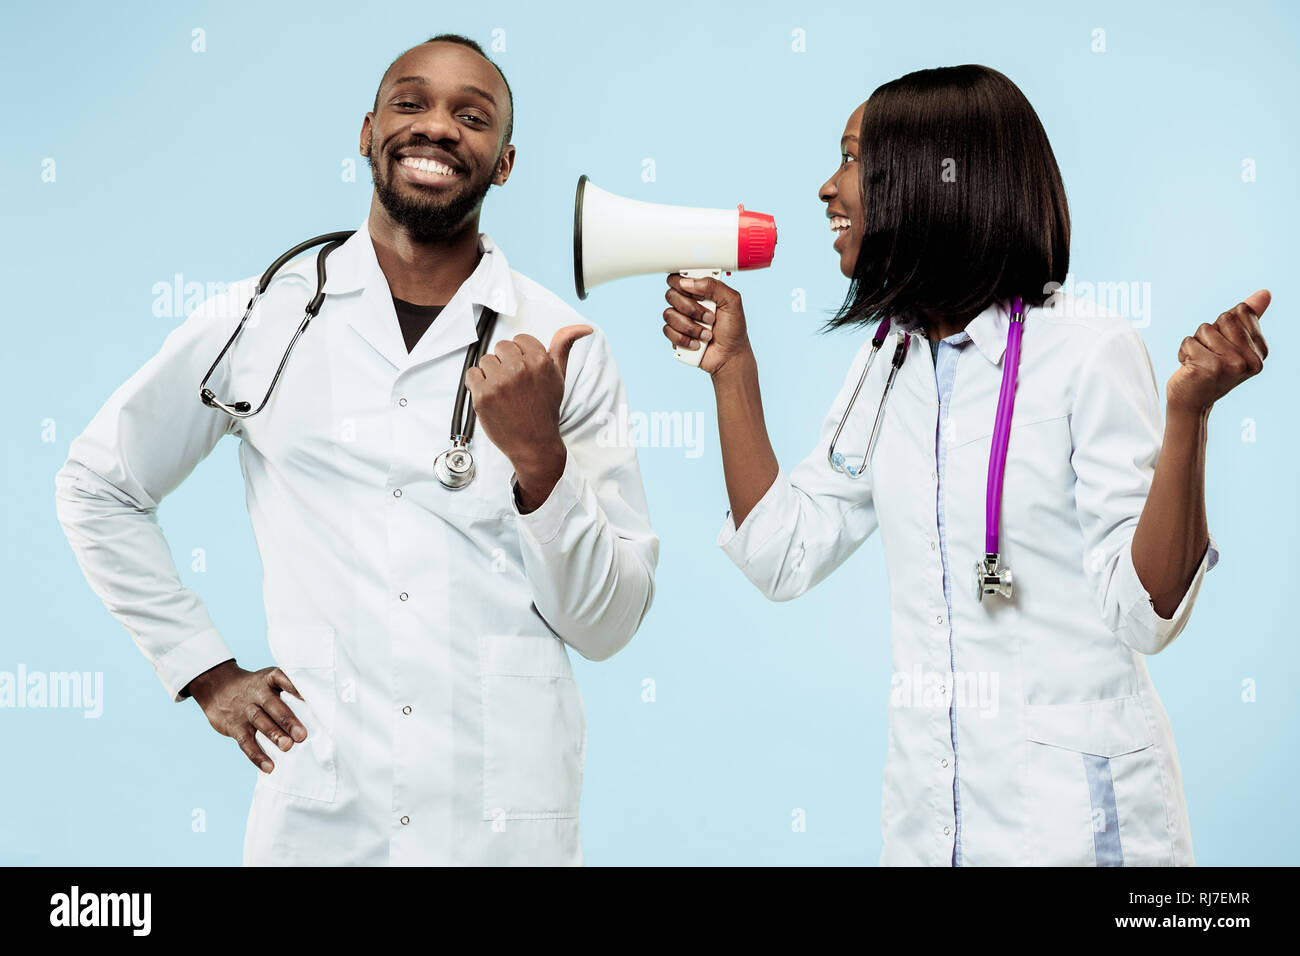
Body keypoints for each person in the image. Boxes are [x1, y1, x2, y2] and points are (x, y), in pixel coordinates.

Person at [54, 34, 658, 866]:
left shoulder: (561, 344)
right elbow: (98, 484)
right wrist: (204, 671)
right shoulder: (264, 317)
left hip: (501, 825)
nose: (440, 127)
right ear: (368, 131)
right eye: (411, 104)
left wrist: (540, 464)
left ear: (506, 162)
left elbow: (609, 624)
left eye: (472, 117)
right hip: (321, 819)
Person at [659, 65, 1268, 866]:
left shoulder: (1086, 351)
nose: (826, 189)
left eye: (852, 160)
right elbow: (782, 553)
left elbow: (1144, 613)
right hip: (929, 823)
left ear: (936, 183)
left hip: (1072, 826)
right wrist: (732, 369)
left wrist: (1189, 411)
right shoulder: (888, 360)